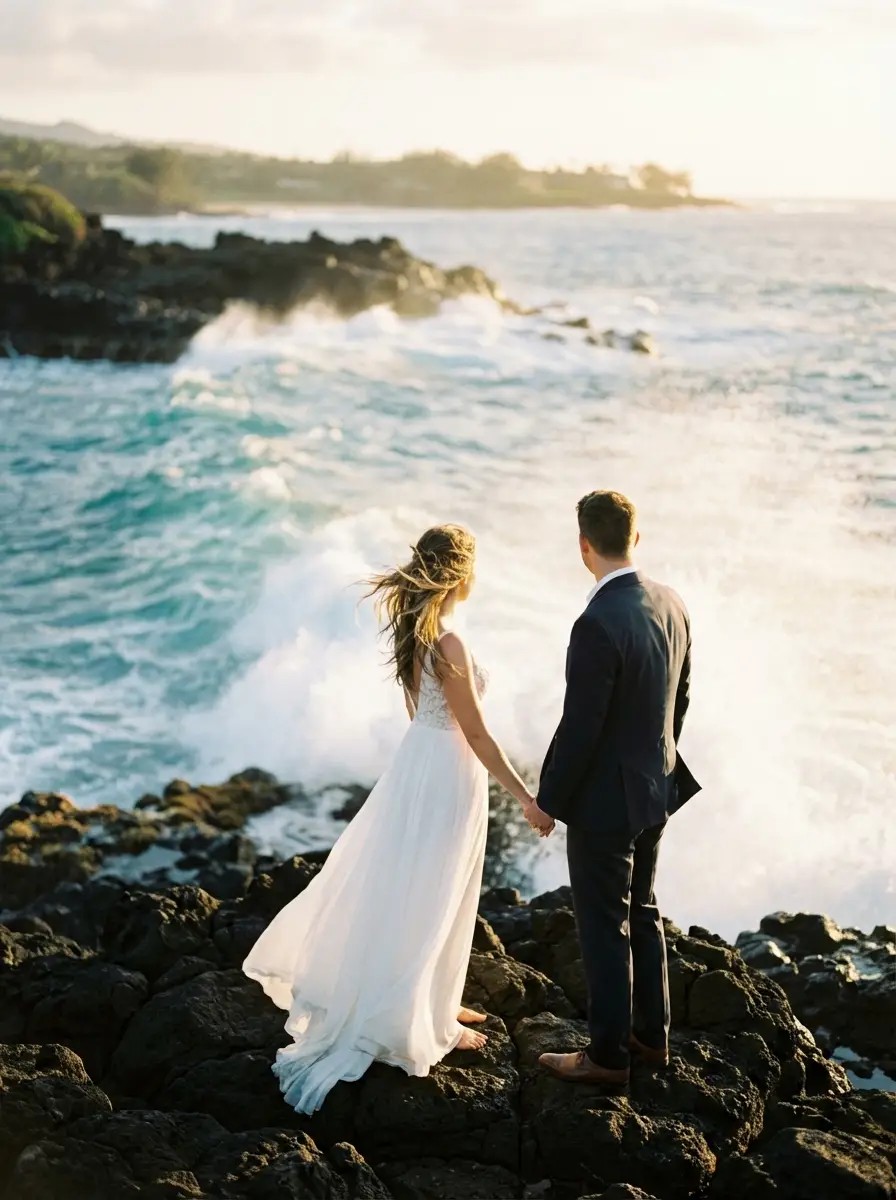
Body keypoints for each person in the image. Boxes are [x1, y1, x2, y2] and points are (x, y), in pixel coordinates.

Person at [242, 523, 547, 1114]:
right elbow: (477, 732)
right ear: (460, 574)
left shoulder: (416, 636)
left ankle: (436, 996)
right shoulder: (450, 644)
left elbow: (423, 713)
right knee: (436, 888)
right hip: (448, 774)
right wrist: (524, 797)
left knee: (421, 885)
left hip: (420, 763)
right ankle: (424, 1014)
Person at [532, 490, 700, 1086]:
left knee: (604, 925)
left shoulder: (596, 622)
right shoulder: (671, 602)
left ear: (584, 545)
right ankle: (650, 1041)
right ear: (636, 537)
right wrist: (656, 762)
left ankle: (606, 1057)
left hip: (606, 803)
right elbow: (678, 699)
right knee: (644, 909)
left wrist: (547, 800)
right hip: (657, 786)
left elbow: (581, 726)